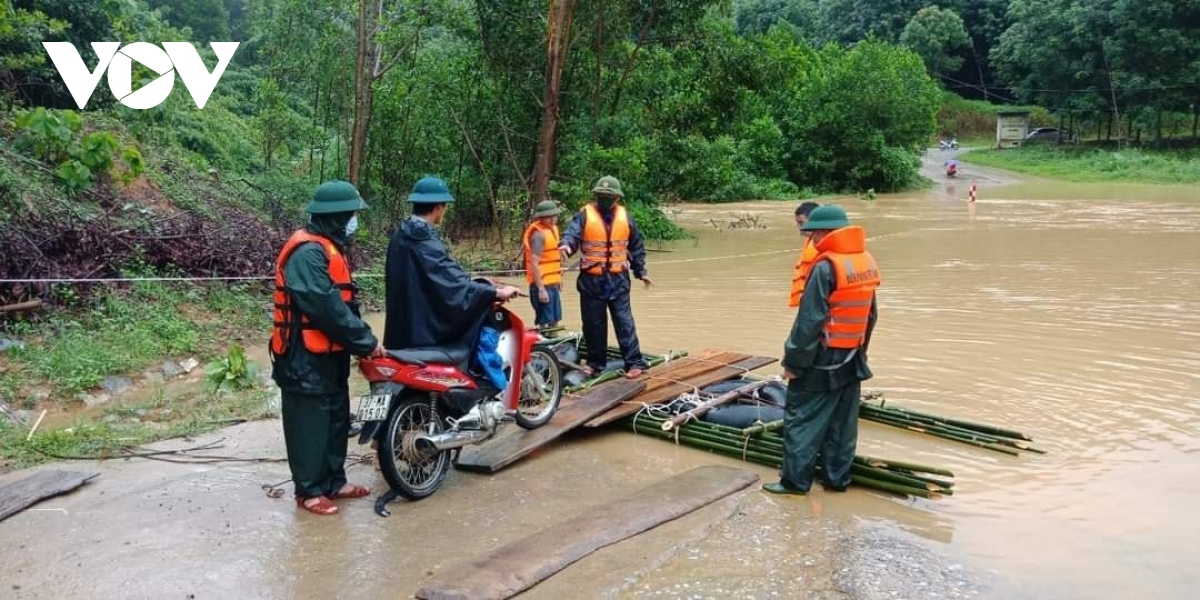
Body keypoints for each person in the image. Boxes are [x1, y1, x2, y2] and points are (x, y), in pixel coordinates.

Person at [270, 179, 385, 516]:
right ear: (336, 216)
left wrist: (360, 341)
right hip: (302, 357)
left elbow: (343, 306)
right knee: (310, 422)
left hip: (330, 355)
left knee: (335, 416)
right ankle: (309, 491)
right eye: (351, 215)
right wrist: (366, 342)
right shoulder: (307, 253)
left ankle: (334, 481)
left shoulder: (326, 247)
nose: (354, 222)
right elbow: (325, 307)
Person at [763, 204, 880, 496]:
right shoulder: (864, 261)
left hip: (821, 357)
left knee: (801, 419)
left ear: (826, 233)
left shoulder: (826, 266)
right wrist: (860, 350)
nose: (811, 239)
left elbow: (809, 322)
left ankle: (794, 483)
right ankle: (836, 480)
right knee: (842, 423)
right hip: (852, 356)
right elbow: (871, 315)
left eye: (813, 233)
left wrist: (794, 362)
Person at [383, 176, 521, 351]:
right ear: (439, 207)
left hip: (402, 331)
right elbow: (453, 285)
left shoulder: (400, 236)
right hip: (423, 335)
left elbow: (443, 275)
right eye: (445, 206)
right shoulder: (424, 241)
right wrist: (495, 293)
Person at [558, 175, 653, 379]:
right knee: (593, 323)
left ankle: (634, 362)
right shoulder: (584, 215)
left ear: (617, 198)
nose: (605, 200)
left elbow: (636, 245)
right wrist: (566, 245)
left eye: (609, 197)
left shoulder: (625, 216)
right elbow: (572, 234)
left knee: (624, 321)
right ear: (596, 196)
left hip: (618, 279)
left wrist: (641, 271)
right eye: (602, 196)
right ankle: (595, 362)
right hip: (592, 280)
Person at [523, 200, 564, 329]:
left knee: (555, 320)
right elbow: (534, 263)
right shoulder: (538, 235)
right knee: (545, 322)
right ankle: (544, 346)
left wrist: (558, 280)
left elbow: (553, 258)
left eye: (554, 216)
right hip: (541, 285)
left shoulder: (554, 230)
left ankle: (554, 346)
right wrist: (541, 289)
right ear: (541, 217)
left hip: (553, 284)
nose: (552, 220)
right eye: (548, 217)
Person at [788, 202, 821, 309]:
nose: (799, 227)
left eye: (801, 223)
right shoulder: (811, 243)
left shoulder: (821, 249)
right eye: (797, 223)